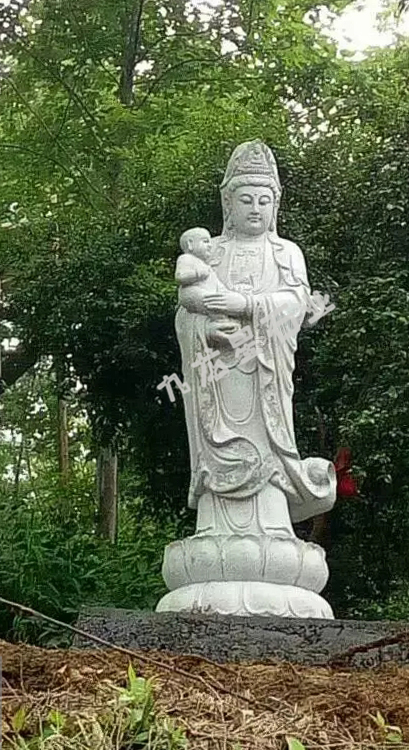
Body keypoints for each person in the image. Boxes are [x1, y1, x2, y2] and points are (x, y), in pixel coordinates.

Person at [174, 140, 336, 537]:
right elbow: (186, 311)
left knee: (266, 443)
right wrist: (204, 331)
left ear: (275, 206)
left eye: (264, 201)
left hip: (266, 371)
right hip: (219, 371)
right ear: (228, 204)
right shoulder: (210, 253)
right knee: (220, 440)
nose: (255, 208)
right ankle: (214, 522)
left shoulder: (286, 253)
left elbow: (297, 305)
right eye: (246, 200)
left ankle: (272, 519)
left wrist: (245, 304)